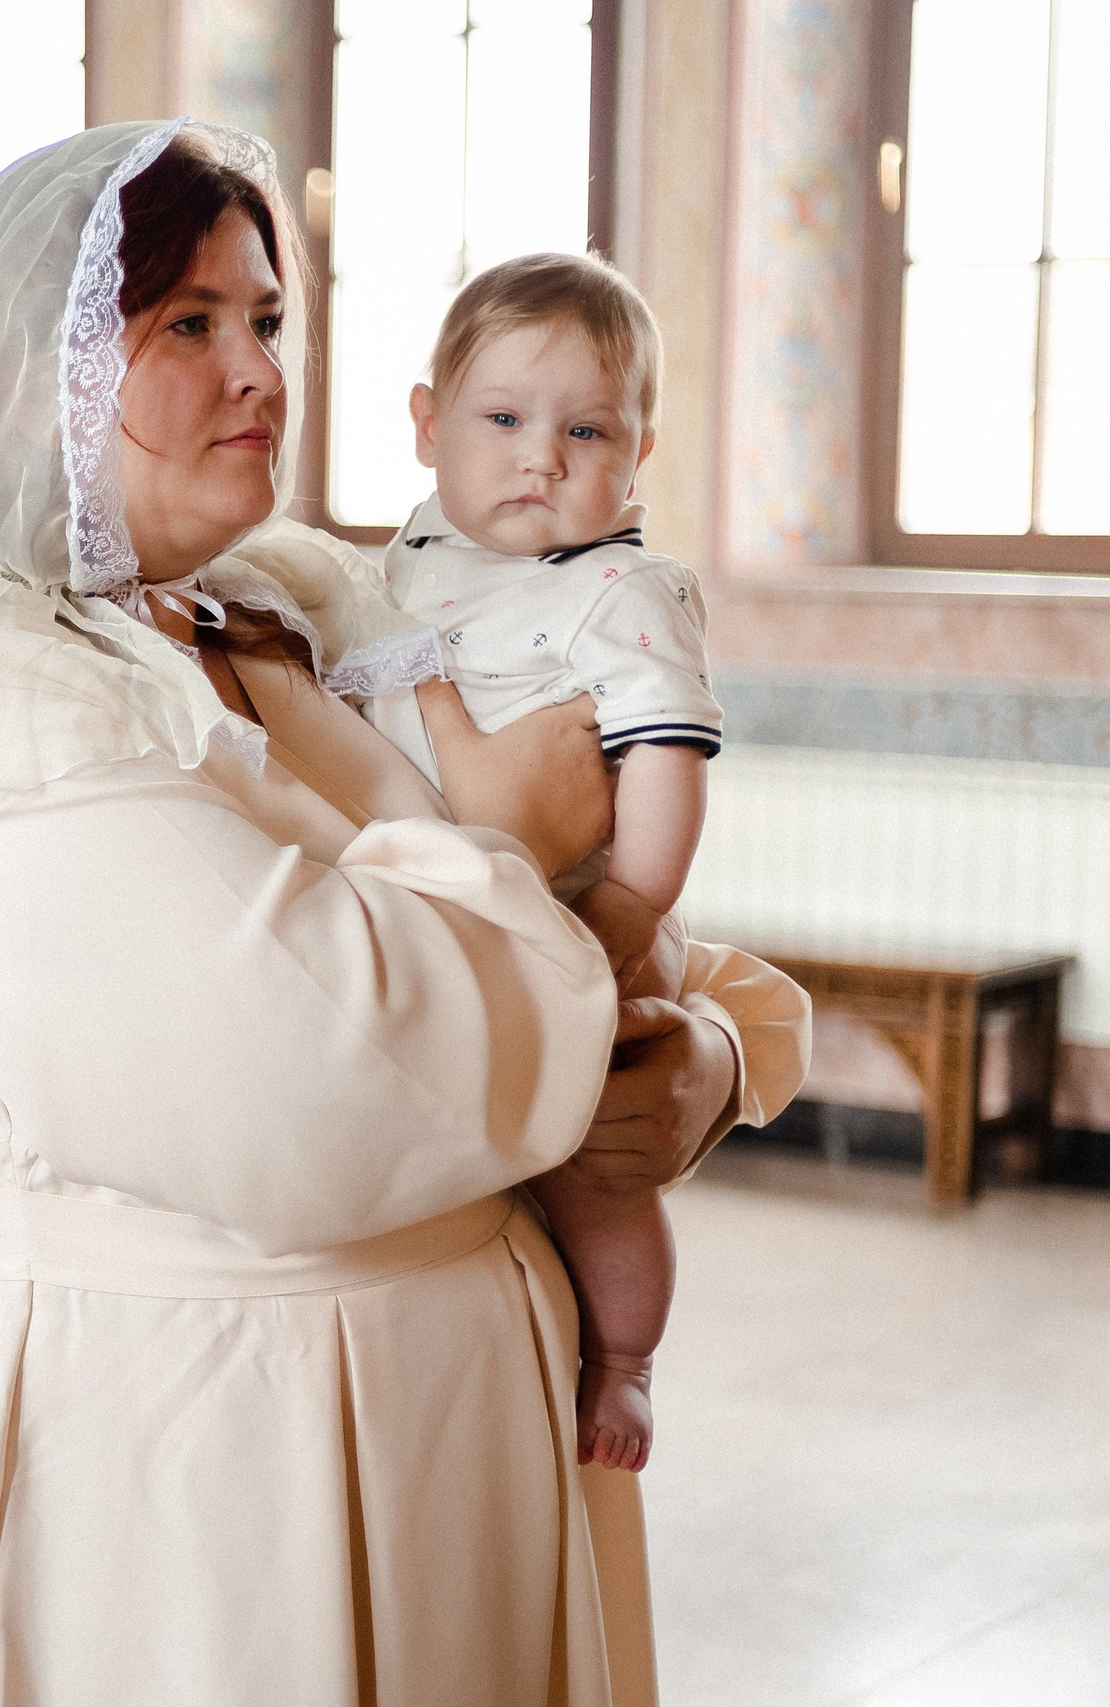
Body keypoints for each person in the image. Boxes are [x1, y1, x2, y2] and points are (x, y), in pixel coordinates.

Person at [0, 120, 808, 1707]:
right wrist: (509, 839)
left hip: (461, 1444)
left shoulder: (296, 601)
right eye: (190, 327)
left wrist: (701, 1060)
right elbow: (325, 1088)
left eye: (269, 319)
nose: (260, 372)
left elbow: (626, 930)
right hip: (190, 1474)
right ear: (39, 380)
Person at [375, 251, 725, 1474]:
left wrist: (633, 900)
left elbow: (665, 758)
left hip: (591, 904)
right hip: (450, 899)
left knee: (593, 1161)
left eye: (586, 430)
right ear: (426, 426)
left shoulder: (623, 589)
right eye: (504, 419)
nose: (541, 458)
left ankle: (623, 1361)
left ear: (638, 455)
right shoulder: (411, 551)